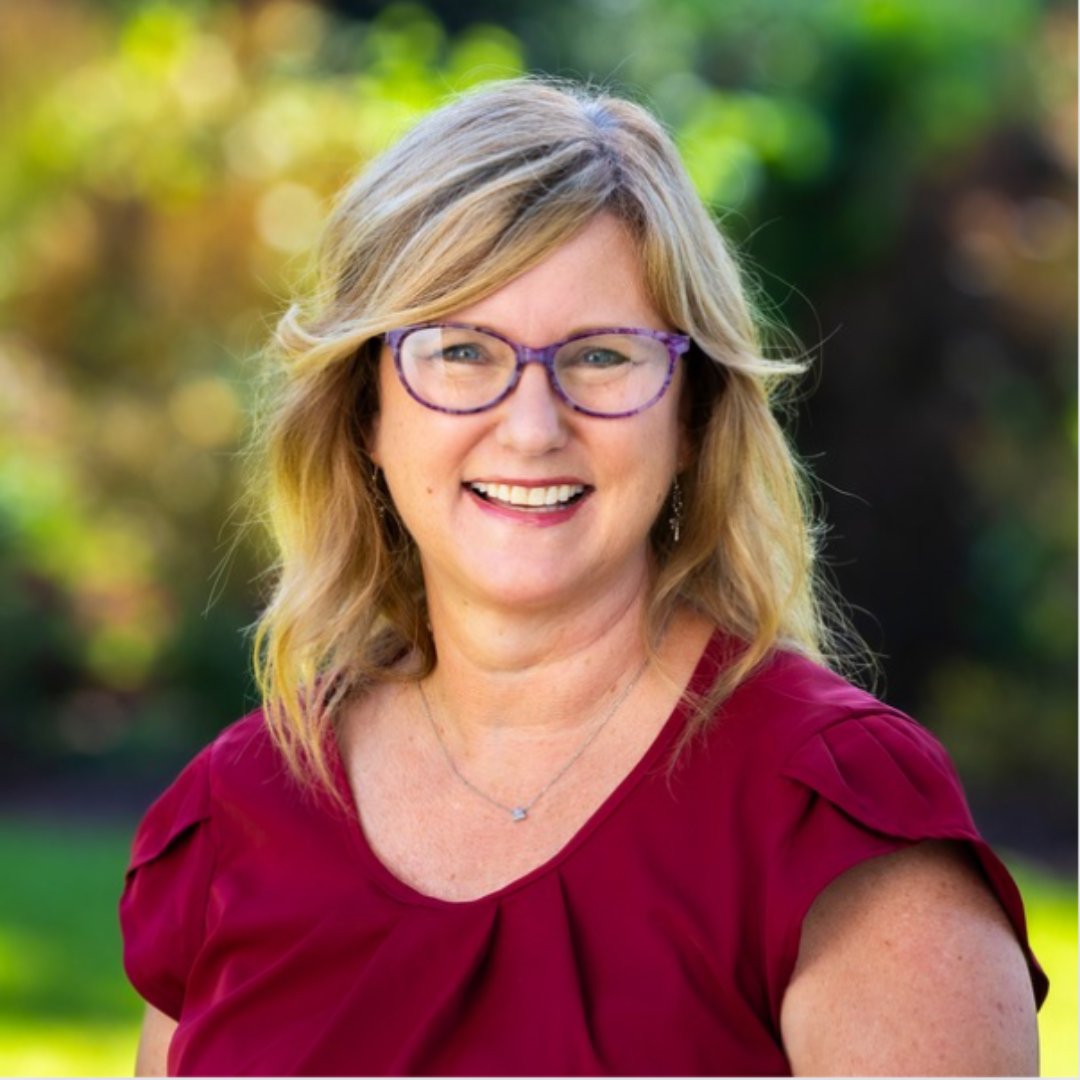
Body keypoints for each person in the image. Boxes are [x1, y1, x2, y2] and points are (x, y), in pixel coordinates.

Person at [120, 76, 1047, 1077]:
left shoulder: (829, 818)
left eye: (602, 356)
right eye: (461, 350)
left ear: (691, 415)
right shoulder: (236, 814)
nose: (531, 426)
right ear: (366, 413)